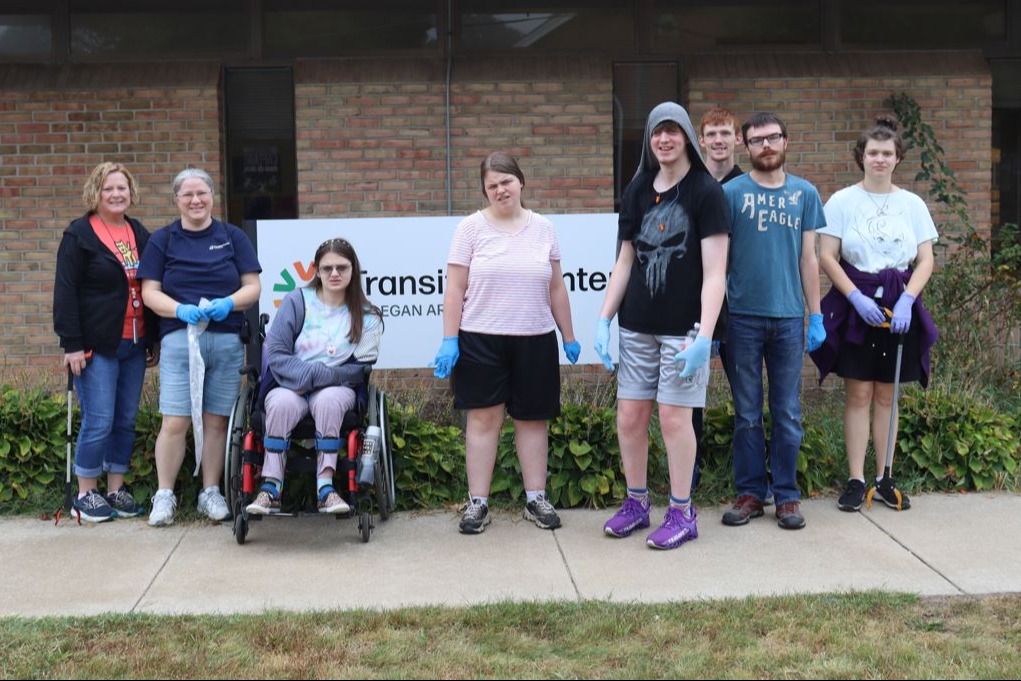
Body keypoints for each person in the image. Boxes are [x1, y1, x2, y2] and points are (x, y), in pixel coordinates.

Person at [594, 101, 730, 550]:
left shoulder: (706, 193)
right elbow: (625, 261)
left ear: (687, 136)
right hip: (636, 326)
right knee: (631, 416)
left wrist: (705, 335)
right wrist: (604, 318)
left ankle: (682, 511)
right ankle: (636, 503)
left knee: (674, 418)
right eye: (657, 132)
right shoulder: (636, 191)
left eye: (673, 130)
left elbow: (715, 274)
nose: (664, 139)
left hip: (683, 330)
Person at [432, 151, 580, 535]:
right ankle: (477, 503)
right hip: (481, 339)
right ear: (484, 191)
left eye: (506, 182)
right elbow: (455, 288)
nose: (500, 190)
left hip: (534, 338)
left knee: (532, 420)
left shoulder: (544, 228)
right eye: (492, 185)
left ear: (521, 182)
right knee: (483, 420)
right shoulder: (470, 229)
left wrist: (568, 334)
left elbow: (555, 286)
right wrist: (450, 338)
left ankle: (536, 498)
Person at [811, 116, 938, 512]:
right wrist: (854, 298)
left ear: (897, 158)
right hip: (859, 305)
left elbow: (926, 259)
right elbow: (826, 256)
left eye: (887, 153)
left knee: (887, 395)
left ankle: (884, 476)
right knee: (859, 393)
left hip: (899, 306)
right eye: (873, 153)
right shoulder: (842, 201)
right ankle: (855, 479)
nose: (879, 159)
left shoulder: (912, 204)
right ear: (861, 157)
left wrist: (907, 300)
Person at [138, 168, 262, 527]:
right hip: (180, 339)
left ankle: (210, 491)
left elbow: (252, 286)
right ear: (176, 199)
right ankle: (164, 495)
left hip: (225, 339)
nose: (195, 201)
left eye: (202, 194)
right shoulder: (163, 240)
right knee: (175, 420)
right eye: (187, 195)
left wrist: (229, 302)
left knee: (216, 422)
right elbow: (149, 292)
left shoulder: (231, 236)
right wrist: (178, 309)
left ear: (212, 196)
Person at [721, 112, 826, 531]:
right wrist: (714, 324)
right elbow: (718, 262)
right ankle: (750, 493)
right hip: (742, 318)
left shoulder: (805, 194)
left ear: (786, 141)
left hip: (787, 319)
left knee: (787, 412)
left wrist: (815, 315)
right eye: (757, 139)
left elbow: (809, 258)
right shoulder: (730, 194)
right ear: (745, 147)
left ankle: (786, 495)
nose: (766, 145)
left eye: (773, 137)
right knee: (746, 412)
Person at [53, 162, 159, 522]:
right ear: (95, 193)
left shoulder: (138, 232)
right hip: (97, 344)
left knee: (125, 420)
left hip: (134, 340)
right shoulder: (79, 235)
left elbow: (150, 285)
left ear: (131, 193)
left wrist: (152, 338)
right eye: (108, 188)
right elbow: (65, 292)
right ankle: (86, 493)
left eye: (122, 188)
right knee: (99, 419)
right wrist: (71, 343)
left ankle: (115, 488)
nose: (116, 194)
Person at [246, 238, 383, 515]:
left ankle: (326, 487)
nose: (335, 274)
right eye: (327, 268)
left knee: (328, 401)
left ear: (353, 270)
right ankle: (271, 487)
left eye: (342, 268)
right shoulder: (297, 301)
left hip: (338, 388)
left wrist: (317, 378)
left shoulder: (369, 316)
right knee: (281, 404)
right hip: (290, 384)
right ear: (316, 270)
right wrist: (309, 377)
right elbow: (277, 354)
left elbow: (360, 368)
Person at [699, 107, 744, 183]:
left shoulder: (746, 188)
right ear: (702, 141)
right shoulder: (690, 185)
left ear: (738, 139)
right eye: (711, 134)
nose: (718, 141)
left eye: (725, 133)